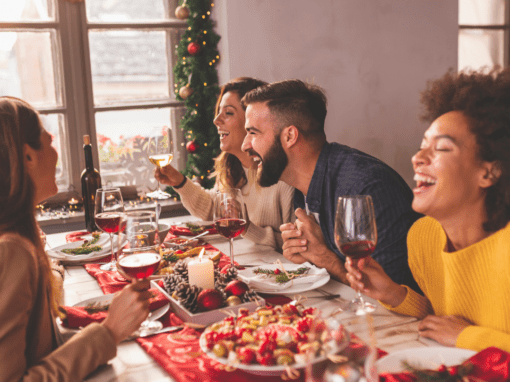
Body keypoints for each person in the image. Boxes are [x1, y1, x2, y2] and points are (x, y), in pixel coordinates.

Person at [345, 67, 510, 352]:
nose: (418, 158)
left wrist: (470, 338)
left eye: (442, 148)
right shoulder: (423, 237)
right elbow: (445, 319)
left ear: (489, 172)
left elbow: (461, 331)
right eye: (422, 146)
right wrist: (395, 294)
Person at [0, 97, 152, 381]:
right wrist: (108, 331)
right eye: (48, 140)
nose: (56, 152)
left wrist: (110, 329)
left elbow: (38, 351)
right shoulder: (12, 250)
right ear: (28, 157)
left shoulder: (20, 236)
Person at [241, 79, 421, 291]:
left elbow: (392, 296)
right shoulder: (300, 186)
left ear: (289, 136)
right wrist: (308, 257)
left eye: (253, 133)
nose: (245, 145)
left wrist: (324, 258)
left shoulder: (365, 189)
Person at [155, 77, 295, 250]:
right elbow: (214, 208)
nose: (216, 120)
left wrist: (245, 226)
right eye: (219, 112)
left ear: (252, 120)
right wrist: (180, 182)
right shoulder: (232, 166)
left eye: (228, 113)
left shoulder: (284, 179)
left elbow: (295, 245)